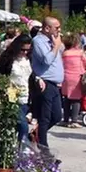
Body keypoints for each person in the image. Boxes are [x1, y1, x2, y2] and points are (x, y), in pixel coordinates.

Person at [31, 17, 64, 148]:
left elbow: (59, 55)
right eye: (56, 27)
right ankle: (43, 147)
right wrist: (55, 46)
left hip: (55, 84)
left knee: (56, 116)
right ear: (47, 28)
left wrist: (57, 44)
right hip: (45, 82)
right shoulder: (38, 41)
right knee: (44, 117)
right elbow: (46, 60)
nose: (59, 30)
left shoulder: (53, 40)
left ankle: (37, 133)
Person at [0, 34, 33, 143]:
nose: (25, 52)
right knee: (23, 126)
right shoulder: (8, 60)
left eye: (28, 50)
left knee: (18, 126)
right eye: (23, 50)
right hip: (12, 94)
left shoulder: (28, 59)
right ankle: (23, 152)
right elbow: (0, 77)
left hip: (26, 96)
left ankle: (18, 150)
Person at [61, 33, 86, 128]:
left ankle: (65, 119)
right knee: (76, 99)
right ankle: (74, 120)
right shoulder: (80, 52)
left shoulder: (64, 53)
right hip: (77, 77)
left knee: (67, 99)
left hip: (66, 77)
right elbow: (85, 64)